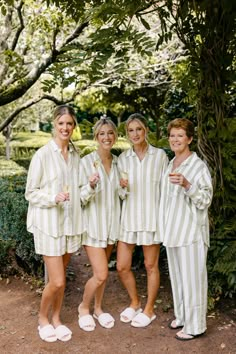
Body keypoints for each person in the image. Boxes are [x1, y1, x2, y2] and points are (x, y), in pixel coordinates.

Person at [25, 105, 85, 343]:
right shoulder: (42, 155)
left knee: (60, 280)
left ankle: (57, 319)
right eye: (61, 123)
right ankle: (42, 319)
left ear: (74, 126)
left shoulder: (76, 155)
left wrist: (90, 185)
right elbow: (30, 192)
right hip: (48, 224)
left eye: (69, 123)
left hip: (69, 224)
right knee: (57, 279)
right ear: (54, 124)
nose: (65, 128)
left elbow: (79, 190)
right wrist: (53, 198)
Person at [159, 118, 213, 341]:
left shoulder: (197, 166)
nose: (175, 139)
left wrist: (187, 185)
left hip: (191, 233)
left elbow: (206, 199)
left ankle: (195, 326)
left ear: (189, 138)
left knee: (193, 280)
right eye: (172, 135)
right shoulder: (170, 164)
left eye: (180, 135)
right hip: (173, 231)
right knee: (179, 279)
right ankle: (182, 317)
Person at [117, 113, 168, 328]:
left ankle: (149, 310)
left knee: (150, 265)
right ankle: (135, 302)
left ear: (145, 129)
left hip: (151, 218)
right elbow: (119, 194)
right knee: (121, 266)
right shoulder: (123, 159)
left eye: (138, 129)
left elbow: (166, 191)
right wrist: (121, 188)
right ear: (127, 134)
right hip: (129, 218)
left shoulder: (160, 156)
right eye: (131, 130)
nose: (135, 134)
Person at [78, 117, 120, 331]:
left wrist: (125, 187)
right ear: (96, 136)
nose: (106, 137)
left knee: (101, 275)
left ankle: (98, 308)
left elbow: (121, 195)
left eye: (110, 133)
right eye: (102, 133)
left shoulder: (119, 162)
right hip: (93, 227)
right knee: (101, 273)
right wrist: (91, 186)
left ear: (115, 136)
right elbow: (80, 197)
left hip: (111, 227)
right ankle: (83, 308)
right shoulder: (86, 162)